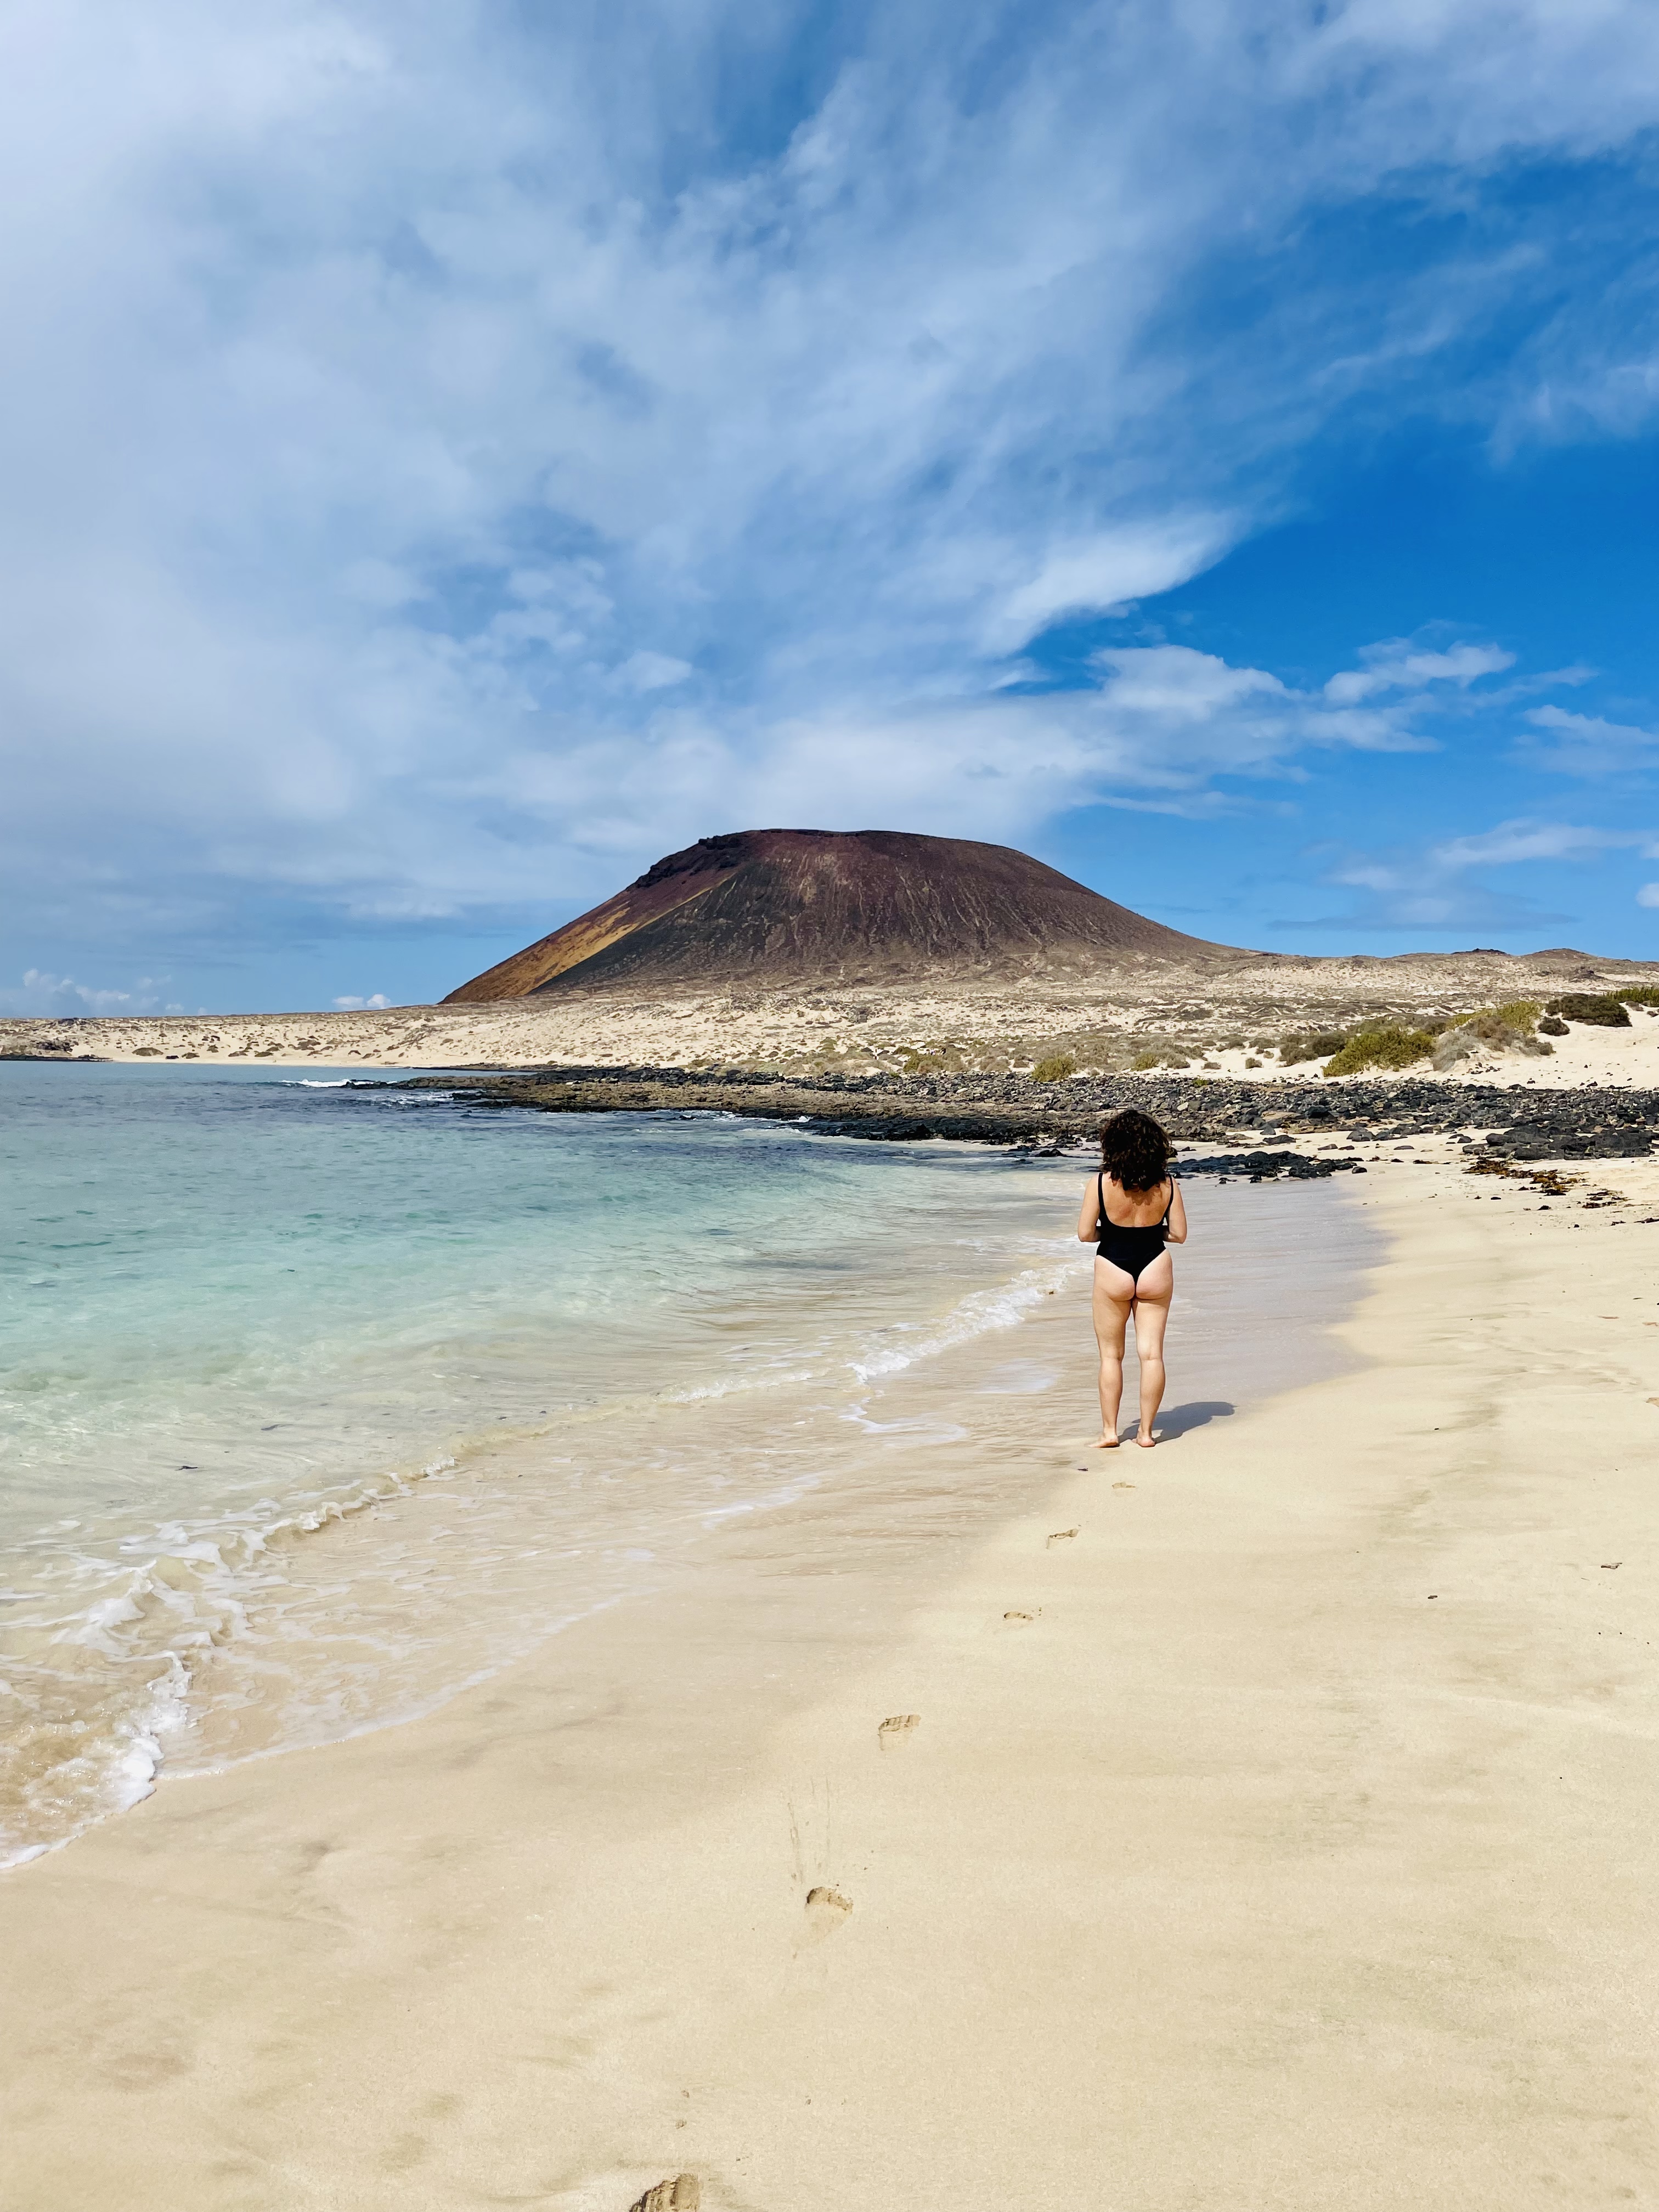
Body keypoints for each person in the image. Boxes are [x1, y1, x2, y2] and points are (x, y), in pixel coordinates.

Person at [1076, 1108, 1187, 1449]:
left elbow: (1084, 1234)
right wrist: (1151, 1233)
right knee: (1151, 1354)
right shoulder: (1167, 1184)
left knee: (1111, 1356)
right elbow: (1180, 1235)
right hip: (1155, 1263)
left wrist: (1110, 1234)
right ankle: (1146, 1434)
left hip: (1113, 1265)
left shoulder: (1099, 1183)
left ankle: (1111, 1433)